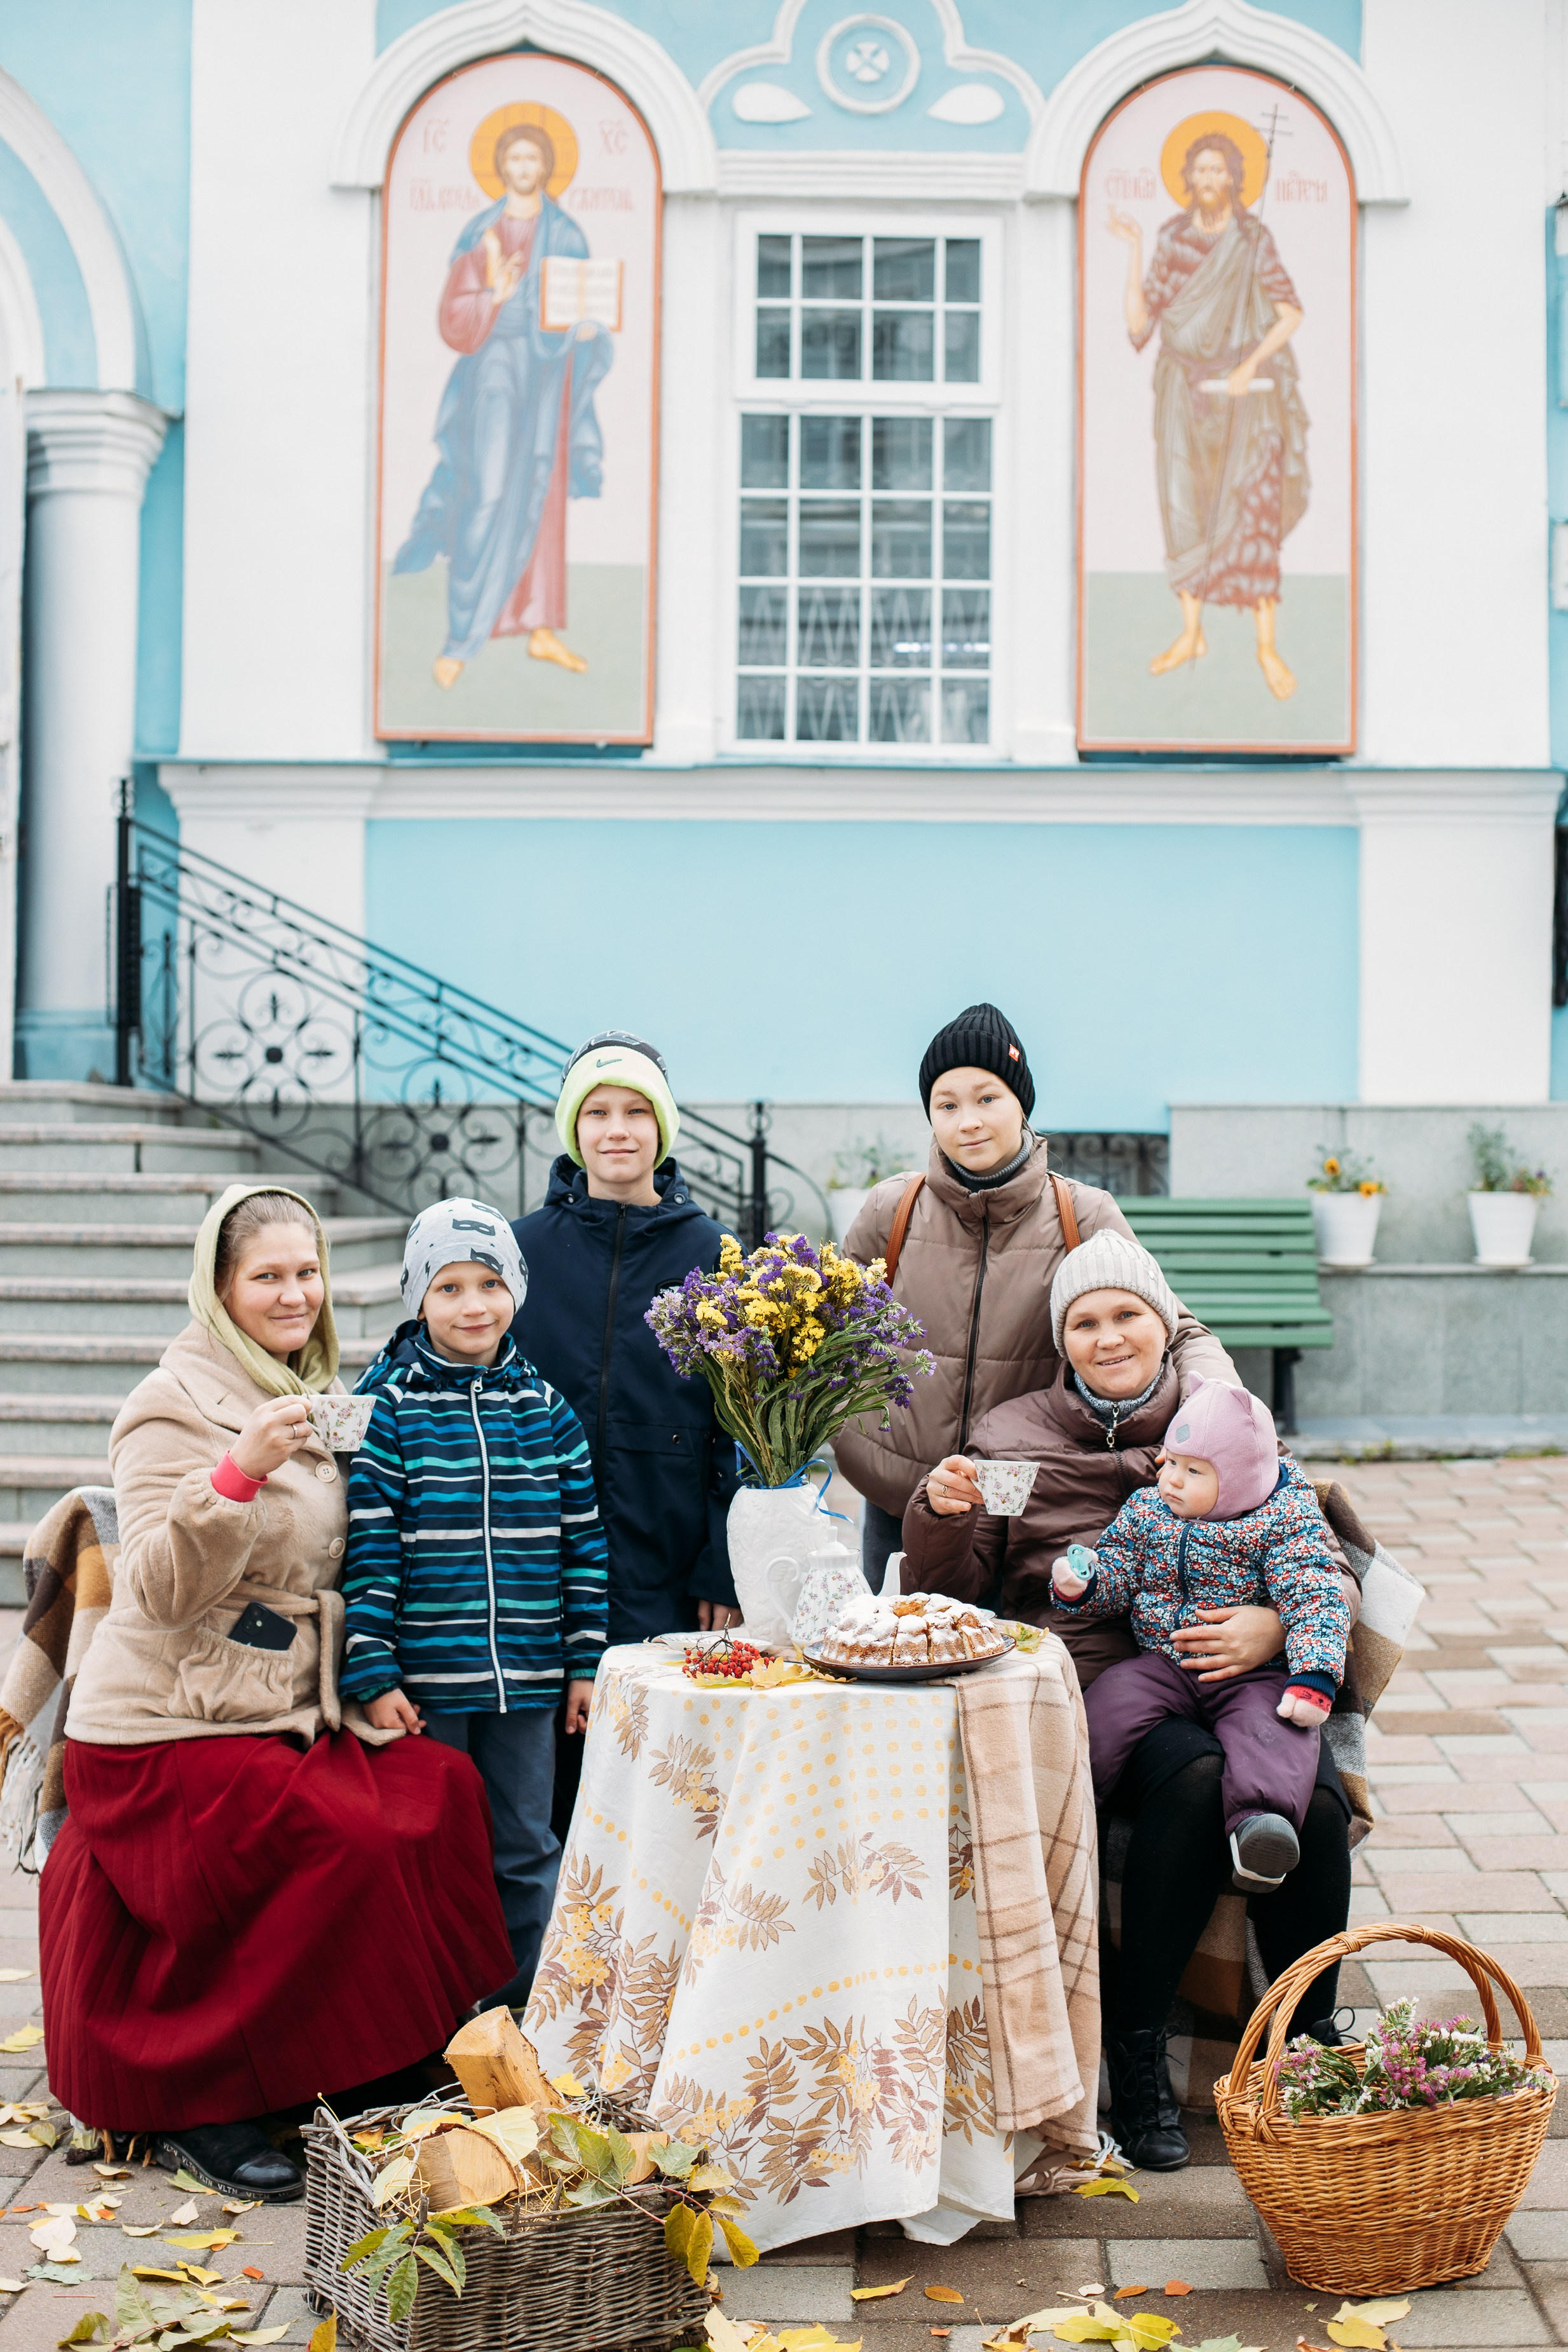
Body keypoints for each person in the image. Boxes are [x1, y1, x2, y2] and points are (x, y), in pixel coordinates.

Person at [38, 1184, 514, 2199]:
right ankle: (204, 2105)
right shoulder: (174, 1403)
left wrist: (377, 1673)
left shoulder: (317, 1383)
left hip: (287, 1706)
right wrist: (237, 1474)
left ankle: (382, 2057)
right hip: (165, 1726)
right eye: (268, 1276)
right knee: (340, 1837)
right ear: (221, 1288)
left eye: (307, 1273)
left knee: (440, 1791)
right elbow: (160, 1589)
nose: (294, 1293)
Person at [903, 1228, 1359, 2172]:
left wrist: (1275, 1631)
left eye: (1126, 1316)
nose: (1108, 1338)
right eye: (1083, 1322)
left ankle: (1305, 2053)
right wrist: (936, 1514)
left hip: (1241, 1673)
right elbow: (953, 1588)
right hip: (1097, 1685)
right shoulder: (1012, 1434)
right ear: (1059, 1339)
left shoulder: (1222, 1420)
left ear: (1163, 1325)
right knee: (1191, 1782)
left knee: (1312, 1802)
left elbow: (1316, 1562)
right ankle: (1137, 2057)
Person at [837, 1002, 1236, 1592]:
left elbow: (1175, 1330)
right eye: (946, 1105)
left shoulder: (1083, 1213)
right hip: (901, 1493)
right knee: (897, 1664)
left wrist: (1223, 1412)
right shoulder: (892, 1209)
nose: (967, 1121)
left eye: (987, 1098)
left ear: (1021, 1103)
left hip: (1026, 1504)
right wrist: (839, 1427)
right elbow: (825, 1332)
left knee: (1013, 1665)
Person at [341, 1199, 608, 2008]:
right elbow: (369, 1548)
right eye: (448, 1287)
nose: (472, 1305)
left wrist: (586, 1664)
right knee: (431, 1849)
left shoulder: (548, 1413)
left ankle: (531, 2012)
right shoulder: (389, 1412)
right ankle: (434, 2016)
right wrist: (374, 1670)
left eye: (489, 1283)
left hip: (527, 1681)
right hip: (426, 1685)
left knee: (526, 1845)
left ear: (515, 1292)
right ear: (418, 1299)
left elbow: (584, 1548)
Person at [512, 1032, 740, 1840]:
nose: (617, 1129)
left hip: (664, 1551)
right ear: (573, 1129)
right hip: (534, 1561)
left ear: (663, 1128)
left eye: (637, 1112)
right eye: (597, 1111)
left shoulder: (710, 1251)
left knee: (654, 1783)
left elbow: (740, 1428)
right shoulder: (522, 1249)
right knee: (542, 1785)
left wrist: (722, 1559)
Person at [1052, 1376, 1350, 1890]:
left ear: (1239, 1479)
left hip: (1251, 1673)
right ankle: (1064, 1801)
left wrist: (1313, 1677)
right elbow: (1121, 1575)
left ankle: (1261, 1829)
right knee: (1109, 1701)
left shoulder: (1280, 1520)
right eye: (1169, 1462)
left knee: (1274, 1733)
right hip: (1164, 1663)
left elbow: (1315, 1596)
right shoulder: (1147, 1512)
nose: (1171, 1479)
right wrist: (1086, 1584)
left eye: (1193, 1471)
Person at [394, 117, 613, 688]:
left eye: (531, 160)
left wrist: (586, 331)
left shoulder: (565, 232)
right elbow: (454, 316)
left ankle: (539, 626)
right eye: (513, 160)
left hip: (548, 368)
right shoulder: (480, 232)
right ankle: (462, 637)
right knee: (487, 491)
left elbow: (580, 298)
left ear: (545, 166)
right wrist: (497, 294)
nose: (523, 169)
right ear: (501, 167)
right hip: (493, 365)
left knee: (540, 490)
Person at [1108, 131, 1307, 699]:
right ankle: (1191, 633)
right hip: (1182, 390)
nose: (1208, 181)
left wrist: (1251, 364)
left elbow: (1289, 313)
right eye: (1199, 171)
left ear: (1234, 178)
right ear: (1187, 180)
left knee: (1253, 511)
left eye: (1218, 171)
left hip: (1244, 393)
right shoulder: (1173, 238)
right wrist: (1133, 247)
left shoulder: (1252, 239)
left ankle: (1265, 646)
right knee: (1183, 508)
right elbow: (1139, 324)